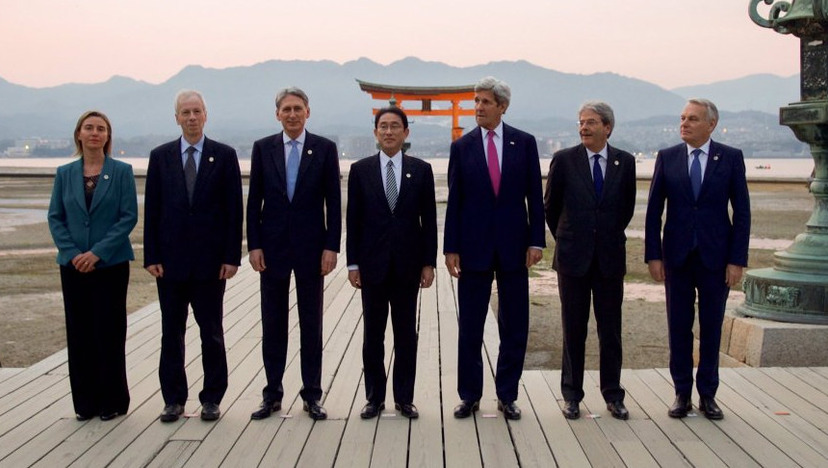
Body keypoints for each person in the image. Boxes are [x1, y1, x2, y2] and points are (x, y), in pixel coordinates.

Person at [444, 76, 545, 420]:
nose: (478, 107)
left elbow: (535, 197)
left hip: (515, 247)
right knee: (470, 327)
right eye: (475, 101)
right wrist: (451, 247)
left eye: (485, 101)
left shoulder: (524, 143)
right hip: (473, 247)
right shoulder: (462, 147)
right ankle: (469, 395)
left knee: (514, 325)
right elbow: (455, 201)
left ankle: (507, 394)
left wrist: (536, 240)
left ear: (502, 106)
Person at [645, 98, 750, 420]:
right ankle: (681, 393)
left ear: (711, 124)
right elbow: (653, 211)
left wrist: (737, 260)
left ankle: (708, 395)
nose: (684, 124)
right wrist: (654, 256)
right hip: (676, 258)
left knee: (711, 327)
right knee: (678, 328)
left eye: (692, 118)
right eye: (682, 118)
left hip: (715, 258)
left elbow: (742, 212)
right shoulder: (668, 157)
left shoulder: (730, 158)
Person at [143, 90, 243, 423]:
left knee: (211, 332)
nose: (191, 117)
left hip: (210, 264)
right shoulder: (160, 157)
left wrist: (231, 257)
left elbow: (234, 211)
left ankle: (212, 398)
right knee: (171, 333)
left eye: (196, 111)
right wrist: (151, 255)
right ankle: (173, 399)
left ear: (205, 115)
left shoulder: (224, 156)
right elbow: (152, 209)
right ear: (177, 118)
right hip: (170, 263)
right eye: (185, 112)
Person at [247, 87, 341, 421]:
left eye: (297, 108)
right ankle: (272, 394)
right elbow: (253, 201)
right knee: (273, 323)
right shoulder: (263, 148)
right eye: (286, 109)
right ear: (277, 114)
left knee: (311, 323)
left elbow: (334, 202)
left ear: (307, 112)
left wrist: (332, 246)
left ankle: (312, 394)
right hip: (271, 248)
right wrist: (254, 245)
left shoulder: (325, 149)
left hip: (311, 248)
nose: (292, 114)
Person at [543, 101, 636, 420]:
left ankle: (613, 395)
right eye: (581, 122)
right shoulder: (564, 160)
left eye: (591, 122)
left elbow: (626, 209)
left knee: (610, 330)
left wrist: (604, 235)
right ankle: (571, 395)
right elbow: (551, 207)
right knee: (573, 330)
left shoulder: (625, 162)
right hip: (572, 258)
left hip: (609, 258)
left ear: (607, 127)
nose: (584, 127)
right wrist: (570, 237)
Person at [346, 107, 437, 420]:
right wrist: (353, 264)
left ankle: (404, 398)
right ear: (375, 132)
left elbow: (429, 221)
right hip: (371, 265)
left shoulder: (421, 170)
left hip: (407, 265)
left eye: (395, 126)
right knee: (373, 335)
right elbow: (353, 221)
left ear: (406, 132)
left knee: (405, 334)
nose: (388, 131)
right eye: (383, 126)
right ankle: (374, 398)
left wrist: (428, 262)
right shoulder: (360, 170)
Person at [47, 110, 137, 422]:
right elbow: (55, 217)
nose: (95, 133)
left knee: (109, 331)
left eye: (101, 128)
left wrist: (97, 253)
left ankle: (112, 401)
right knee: (80, 333)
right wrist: (73, 253)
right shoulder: (64, 173)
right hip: (73, 266)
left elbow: (128, 217)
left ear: (107, 136)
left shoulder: (122, 172)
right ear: (79, 134)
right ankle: (85, 403)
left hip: (110, 265)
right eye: (89, 128)